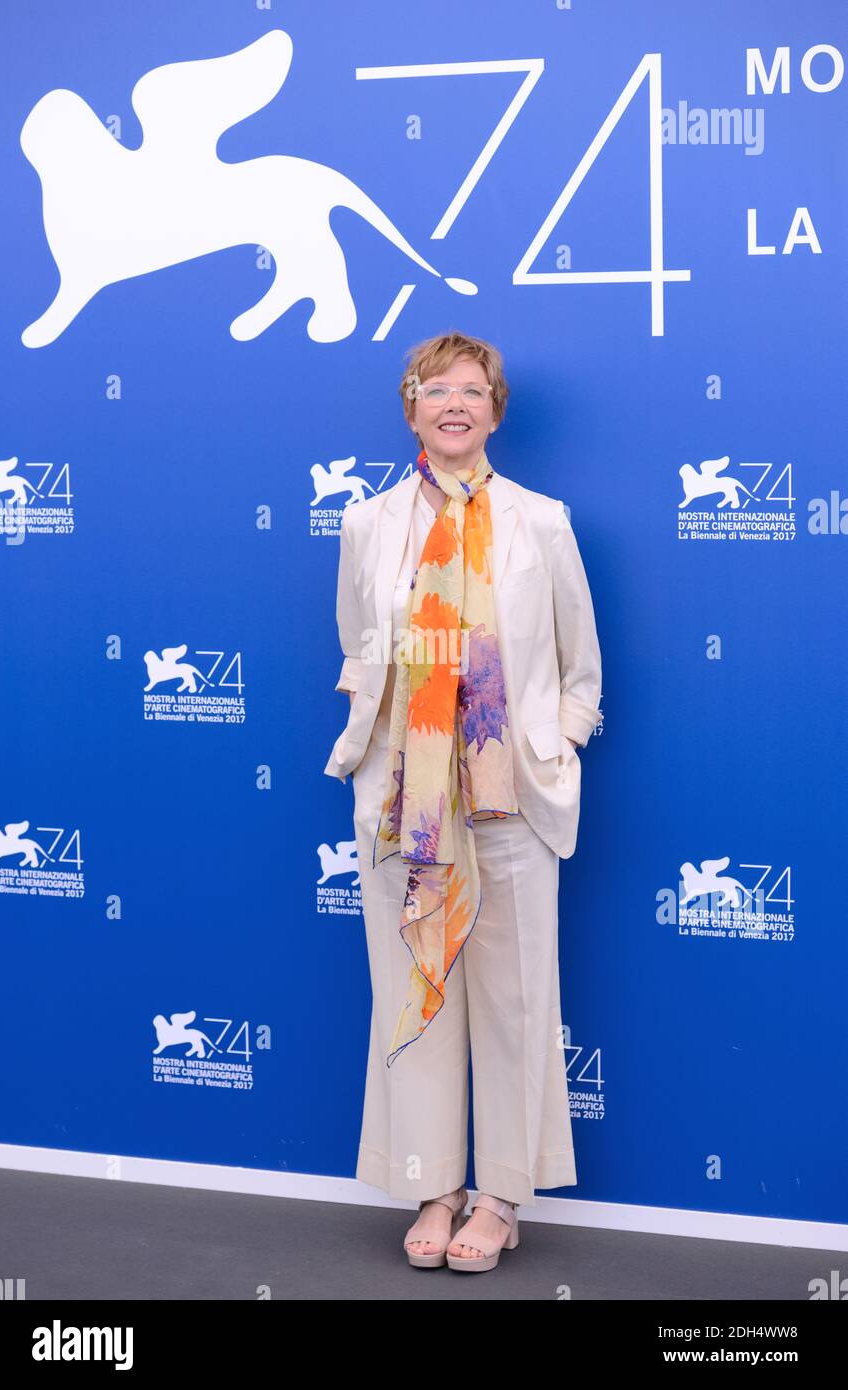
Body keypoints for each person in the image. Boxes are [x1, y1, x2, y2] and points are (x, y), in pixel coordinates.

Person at [324, 331, 602, 1273]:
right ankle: (433, 1182)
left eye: (471, 390)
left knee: (519, 1006)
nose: (454, 404)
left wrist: (549, 746)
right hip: (410, 805)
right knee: (416, 997)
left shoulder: (543, 522)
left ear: (495, 408)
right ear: (411, 407)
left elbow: (580, 670)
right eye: (434, 390)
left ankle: (501, 1197)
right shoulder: (367, 525)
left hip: (510, 802)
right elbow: (361, 648)